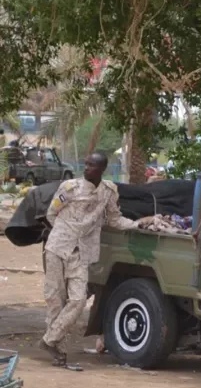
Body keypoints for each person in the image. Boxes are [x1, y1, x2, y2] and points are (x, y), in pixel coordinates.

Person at [38, 152, 153, 368]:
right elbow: (52, 214)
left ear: (102, 169)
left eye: (92, 165)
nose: (87, 168)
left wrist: (137, 223)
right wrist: (66, 231)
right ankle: (57, 350)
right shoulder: (69, 188)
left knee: (78, 300)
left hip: (82, 253)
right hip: (58, 248)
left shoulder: (108, 191)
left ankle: (49, 340)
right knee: (55, 300)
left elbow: (114, 219)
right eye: (86, 164)